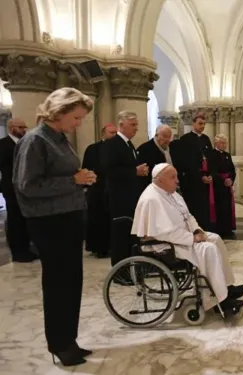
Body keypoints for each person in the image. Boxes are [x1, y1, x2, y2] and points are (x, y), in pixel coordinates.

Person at [12, 87, 97, 367]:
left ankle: (69, 339)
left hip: (68, 217)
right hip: (50, 223)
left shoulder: (58, 137)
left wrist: (80, 179)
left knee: (72, 281)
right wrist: (74, 181)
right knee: (58, 283)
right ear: (59, 113)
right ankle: (59, 344)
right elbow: (27, 186)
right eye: (76, 117)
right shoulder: (35, 140)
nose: (79, 123)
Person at [132, 163, 243, 316]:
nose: (177, 181)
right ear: (159, 180)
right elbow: (163, 233)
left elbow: (188, 216)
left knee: (215, 239)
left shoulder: (171, 193)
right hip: (165, 244)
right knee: (208, 248)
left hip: (182, 237)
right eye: (173, 177)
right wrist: (192, 238)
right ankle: (219, 300)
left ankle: (226, 286)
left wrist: (197, 230)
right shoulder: (151, 199)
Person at [103, 111, 149, 269]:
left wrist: (139, 171)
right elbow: (110, 170)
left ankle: (130, 267)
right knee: (120, 235)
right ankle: (120, 271)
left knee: (130, 233)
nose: (136, 128)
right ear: (121, 125)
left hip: (130, 196)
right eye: (133, 125)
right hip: (119, 198)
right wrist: (134, 171)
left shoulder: (129, 144)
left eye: (137, 125)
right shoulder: (112, 143)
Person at [0, 118, 37, 262]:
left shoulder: (26, 143)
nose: (24, 130)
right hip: (11, 187)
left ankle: (27, 248)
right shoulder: (3, 144)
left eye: (25, 127)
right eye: (21, 127)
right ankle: (18, 251)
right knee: (15, 219)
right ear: (12, 128)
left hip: (26, 186)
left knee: (25, 218)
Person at [172, 113, 216, 231]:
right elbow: (186, 162)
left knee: (205, 206)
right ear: (193, 124)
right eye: (200, 123)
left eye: (204, 124)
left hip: (205, 179)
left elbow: (211, 158)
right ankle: (194, 229)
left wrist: (210, 175)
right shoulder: (186, 139)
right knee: (194, 206)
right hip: (192, 180)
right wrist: (200, 176)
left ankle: (205, 228)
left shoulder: (206, 139)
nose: (202, 126)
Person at [82, 123, 117, 258]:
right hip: (98, 189)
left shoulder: (118, 148)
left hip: (113, 189)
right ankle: (99, 248)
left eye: (115, 133)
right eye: (111, 132)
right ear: (103, 133)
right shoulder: (93, 149)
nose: (113, 135)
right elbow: (87, 167)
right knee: (98, 219)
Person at [209, 134, 236, 239]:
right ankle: (219, 229)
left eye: (225, 143)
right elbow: (212, 171)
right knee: (219, 208)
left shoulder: (227, 155)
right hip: (217, 186)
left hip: (227, 186)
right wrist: (223, 180)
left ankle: (228, 228)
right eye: (222, 143)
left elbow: (232, 170)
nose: (224, 145)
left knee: (228, 207)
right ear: (216, 143)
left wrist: (231, 180)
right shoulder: (211, 154)